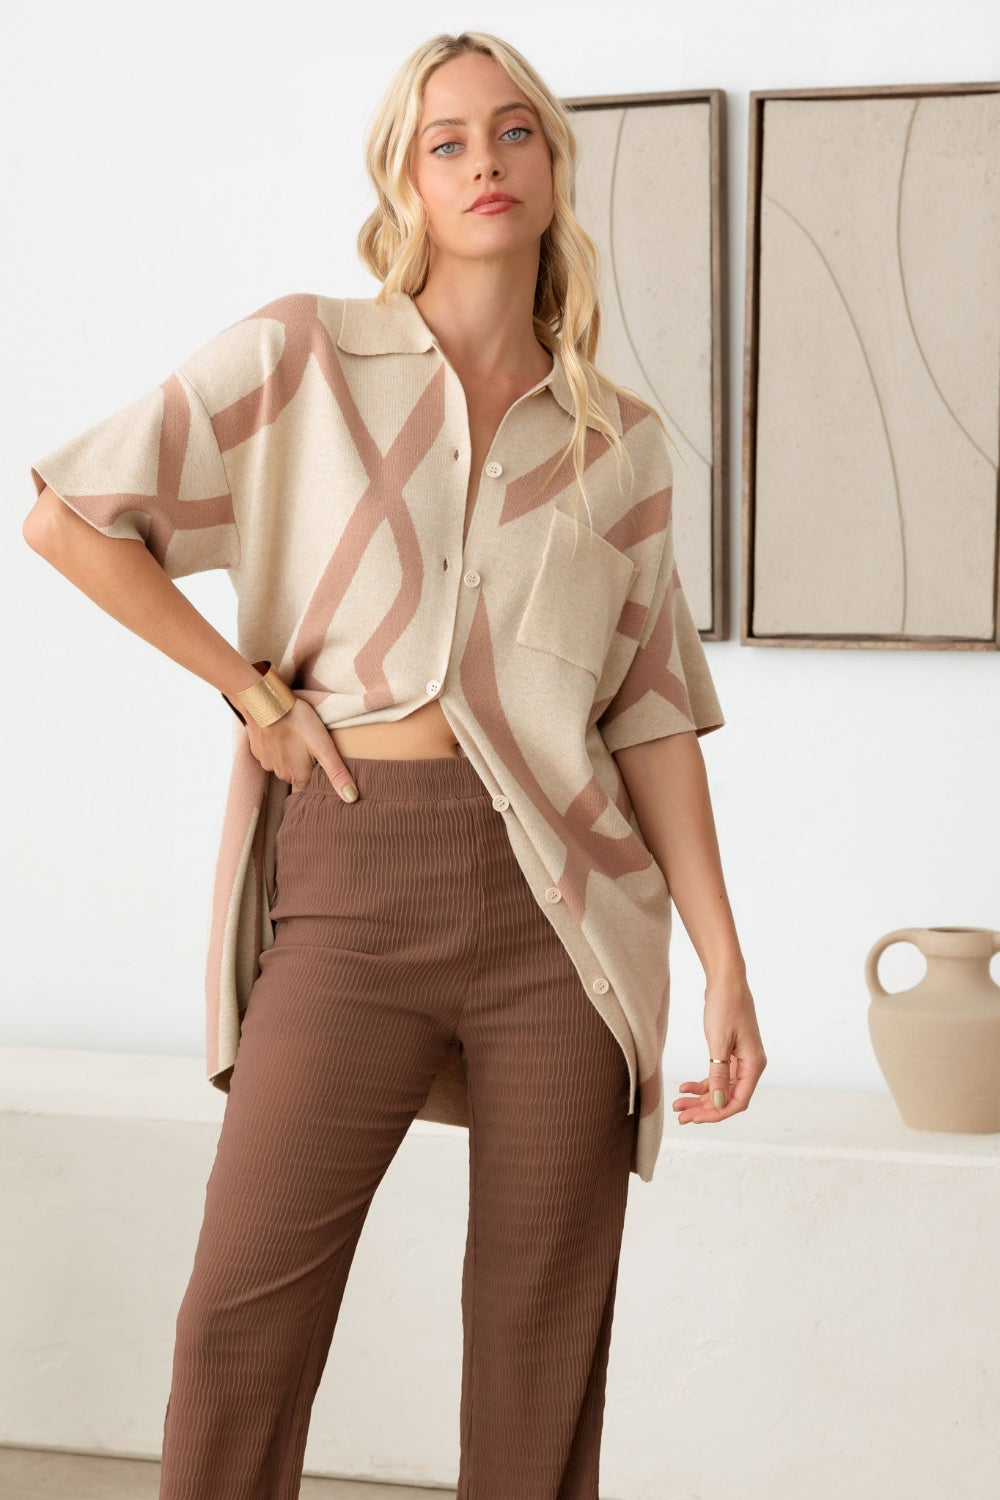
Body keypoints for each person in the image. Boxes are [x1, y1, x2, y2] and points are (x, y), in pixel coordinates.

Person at [22, 29, 766, 1500]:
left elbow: (652, 713)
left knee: (541, 1348)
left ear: (553, 164)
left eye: (512, 133)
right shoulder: (303, 353)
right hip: (356, 875)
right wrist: (244, 688)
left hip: (563, 914)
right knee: (239, 1320)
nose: (484, 162)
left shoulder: (622, 447)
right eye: (447, 141)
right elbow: (68, 516)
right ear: (406, 182)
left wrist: (723, 956)